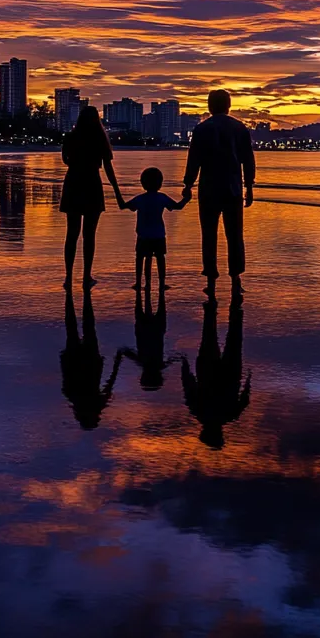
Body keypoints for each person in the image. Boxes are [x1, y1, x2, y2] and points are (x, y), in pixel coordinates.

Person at [181, 89, 256, 299]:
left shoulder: (202, 129)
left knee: (209, 234)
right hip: (233, 188)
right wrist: (249, 186)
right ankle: (235, 279)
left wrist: (188, 184)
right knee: (235, 235)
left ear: (209, 106)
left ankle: (211, 279)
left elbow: (194, 159)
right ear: (228, 105)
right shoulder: (239, 128)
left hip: (209, 188)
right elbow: (247, 159)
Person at [60, 105, 125, 290]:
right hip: (91, 184)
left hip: (73, 183)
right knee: (89, 235)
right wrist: (118, 195)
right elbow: (109, 170)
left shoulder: (70, 137)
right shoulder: (99, 139)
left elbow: (65, 160)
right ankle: (86, 276)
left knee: (71, 234)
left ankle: (68, 277)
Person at [181, 292, 250, 449]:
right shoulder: (200, 412)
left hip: (229, 373)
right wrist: (185, 367)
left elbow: (245, 399)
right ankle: (216, 301)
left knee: (233, 337)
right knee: (209, 335)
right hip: (209, 370)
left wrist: (248, 380)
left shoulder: (229, 415)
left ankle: (233, 304)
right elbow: (188, 386)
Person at [60, 289, 123, 430]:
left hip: (89, 361)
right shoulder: (73, 397)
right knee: (74, 327)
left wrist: (117, 362)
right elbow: (109, 383)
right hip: (81, 360)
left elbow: (110, 382)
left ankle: (77, 295)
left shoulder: (92, 401)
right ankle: (75, 296)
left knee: (86, 328)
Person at [122, 166, 189, 290]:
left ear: (143, 183)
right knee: (160, 258)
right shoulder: (161, 197)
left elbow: (124, 206)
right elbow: (177, 207)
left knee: (142, 258)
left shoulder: (140, 199)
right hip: (158, 235)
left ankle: (140, 283)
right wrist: (186, 199)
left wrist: (117, 192)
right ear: (160, 183)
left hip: (143, 235)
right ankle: (162, 283)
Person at [120, 284, 176, 391]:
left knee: (158, 302)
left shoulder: (155, 364)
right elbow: (125, 351)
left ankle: (150, 286)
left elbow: (174, 359)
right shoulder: (144, 363)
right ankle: (155, 286)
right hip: (147, 330)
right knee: (149, 302)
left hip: (154, 330)